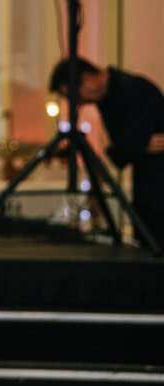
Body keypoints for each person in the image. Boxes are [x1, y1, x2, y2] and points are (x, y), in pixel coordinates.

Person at [49, 58, 164, 247]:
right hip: (148, 185)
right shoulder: (113, 96)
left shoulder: (134, 91)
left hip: (156, 187)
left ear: (87, 78)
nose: (79, 103)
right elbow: (127, 145)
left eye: (74, 96)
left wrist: (133, 145)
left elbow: (124, 150)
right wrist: (136, 144)